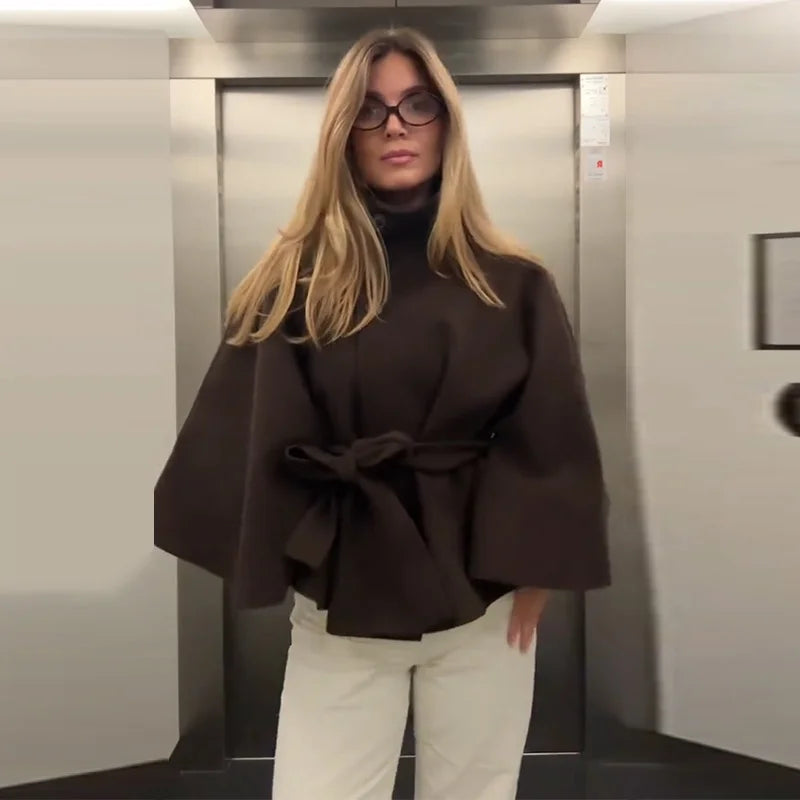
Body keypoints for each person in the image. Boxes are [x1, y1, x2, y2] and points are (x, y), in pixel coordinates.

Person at [154, 26, 610, 800]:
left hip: (484, 596)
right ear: (343, 134)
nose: (395, 125)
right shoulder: (294, 280)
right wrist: (296, 559)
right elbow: (252, 432)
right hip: (347, 593)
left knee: (475, 790)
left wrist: (539, 570)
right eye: (370, 111)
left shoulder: (515, 282)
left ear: (446, 122)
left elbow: (551, 433)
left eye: (416, 104)